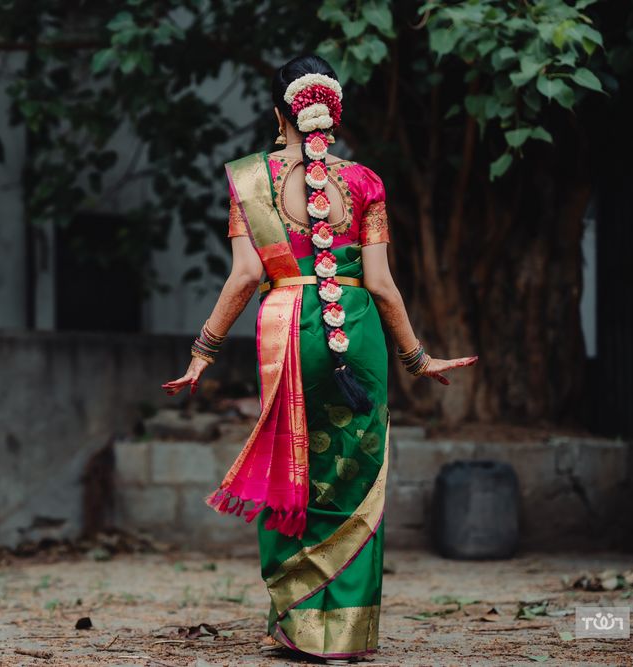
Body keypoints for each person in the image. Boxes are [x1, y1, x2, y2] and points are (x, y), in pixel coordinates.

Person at [161, 54, 478, 661]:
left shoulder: (251, 181)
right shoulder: (364, 184)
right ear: (332, 114)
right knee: (355, 475)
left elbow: (247, 275)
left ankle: (297, 623)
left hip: (289, 332)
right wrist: (418, 359)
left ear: (279, 112)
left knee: (293, 466)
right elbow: (383, 285)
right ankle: (350, 633)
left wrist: (202, 352)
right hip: (356, 333)